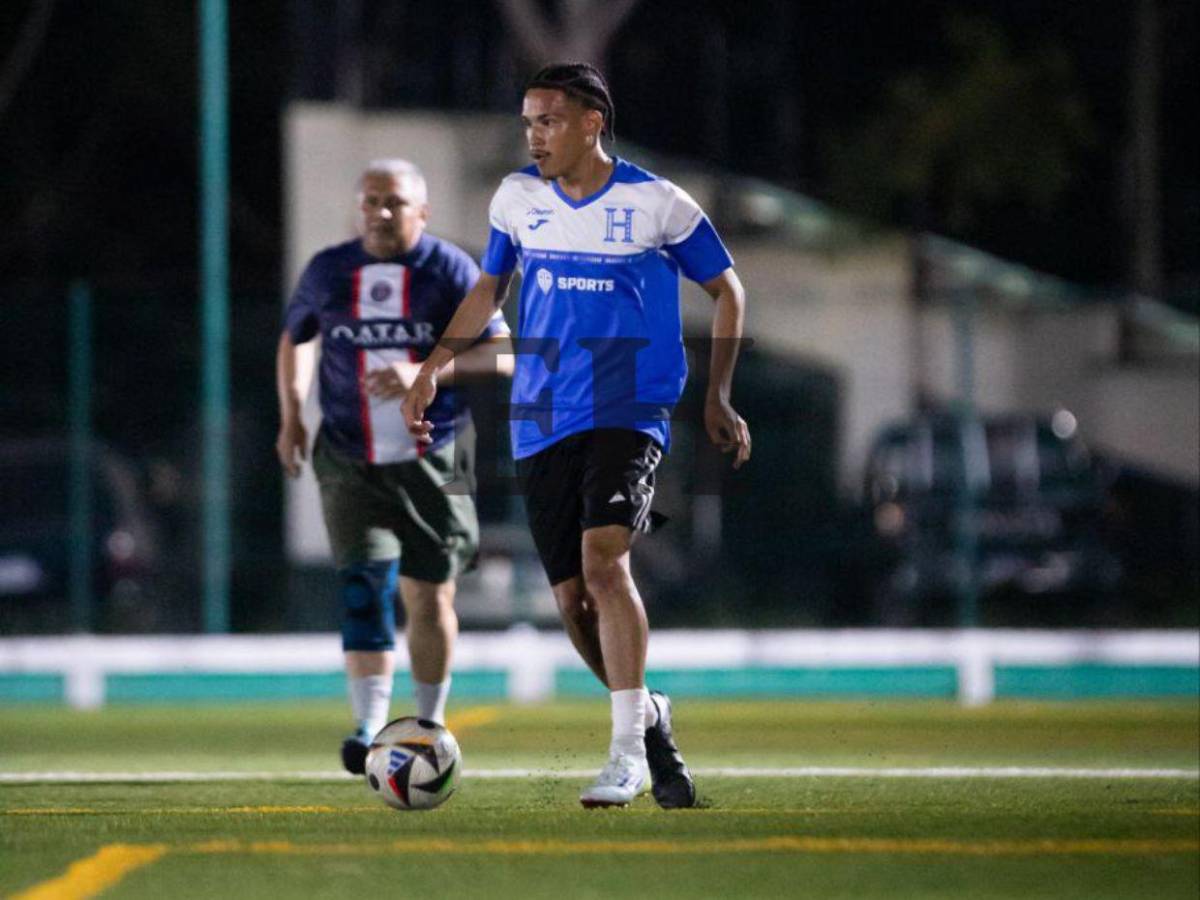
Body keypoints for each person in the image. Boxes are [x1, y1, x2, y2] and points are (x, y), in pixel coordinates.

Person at [401, 63, 750, 809]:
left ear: (593, 122)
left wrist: (718, 393)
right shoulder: (516, 199)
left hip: (631, 405)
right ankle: (648, 716)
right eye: (529, 122)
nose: (535, 136)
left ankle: (625, 755)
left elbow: (728, 290)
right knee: (571, 603)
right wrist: (432, 368)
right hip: (541, 414)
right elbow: (488, 289)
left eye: (549, 121)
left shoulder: (657, 202)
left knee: (603, 564)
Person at [275, 159, 511, 774]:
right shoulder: (329, 270)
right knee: (364, 586)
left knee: (429, 594)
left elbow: (504, 353)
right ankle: (368, 728)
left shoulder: (450, 270)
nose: (381, 213)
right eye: (371, 202)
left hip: (438, 453)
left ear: (422, 212)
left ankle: (429, 724)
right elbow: (297, 338)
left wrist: (424, 372)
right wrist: (292, 414)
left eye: (395, 203)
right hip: (348, 454)